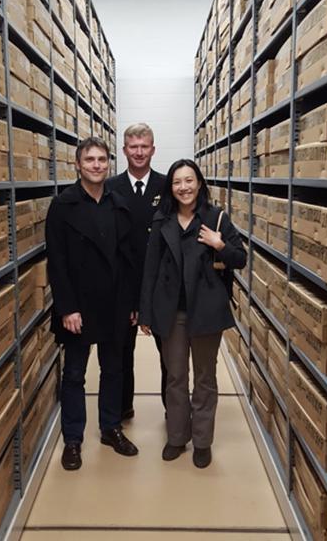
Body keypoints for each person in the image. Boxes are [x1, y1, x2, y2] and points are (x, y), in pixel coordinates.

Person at [138, 159, 247, 468]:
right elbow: (151, 270)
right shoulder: (163, 220)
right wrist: (146, 313)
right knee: (174, 377)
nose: (183, 187)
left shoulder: (216, 218)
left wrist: (220, 243)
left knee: (204, 378)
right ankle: (176, 437)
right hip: (171, 313)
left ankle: (202, 441)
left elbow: (240, 258)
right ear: (170, 188)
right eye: (177, 182)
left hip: (206, 311)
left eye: (189, 180)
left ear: (199, 183)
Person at [46, 137, 140, 471]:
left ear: (109, 163)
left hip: (114, 302)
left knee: (114, 369)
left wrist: (131, 303)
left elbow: (128, 259)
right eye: (90, 160)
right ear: (78, 164)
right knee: (74, 374)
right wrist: (67, 308)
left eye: (102, 159)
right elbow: (56, 262)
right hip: (79, 307)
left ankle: (110, 428)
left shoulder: (118, 203)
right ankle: (73, 439)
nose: (97, 165)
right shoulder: (63, 205)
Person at [105, 123, 168, 419]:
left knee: (170, 357)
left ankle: (174, 413)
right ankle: (122, 408)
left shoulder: (168, 187)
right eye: (133, 146)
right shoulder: (109, 188)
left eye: (144, 146)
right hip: (121, 287)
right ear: (124, 150)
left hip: (161, 287)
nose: (139, 152)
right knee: (121, 353)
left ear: (153, 149)